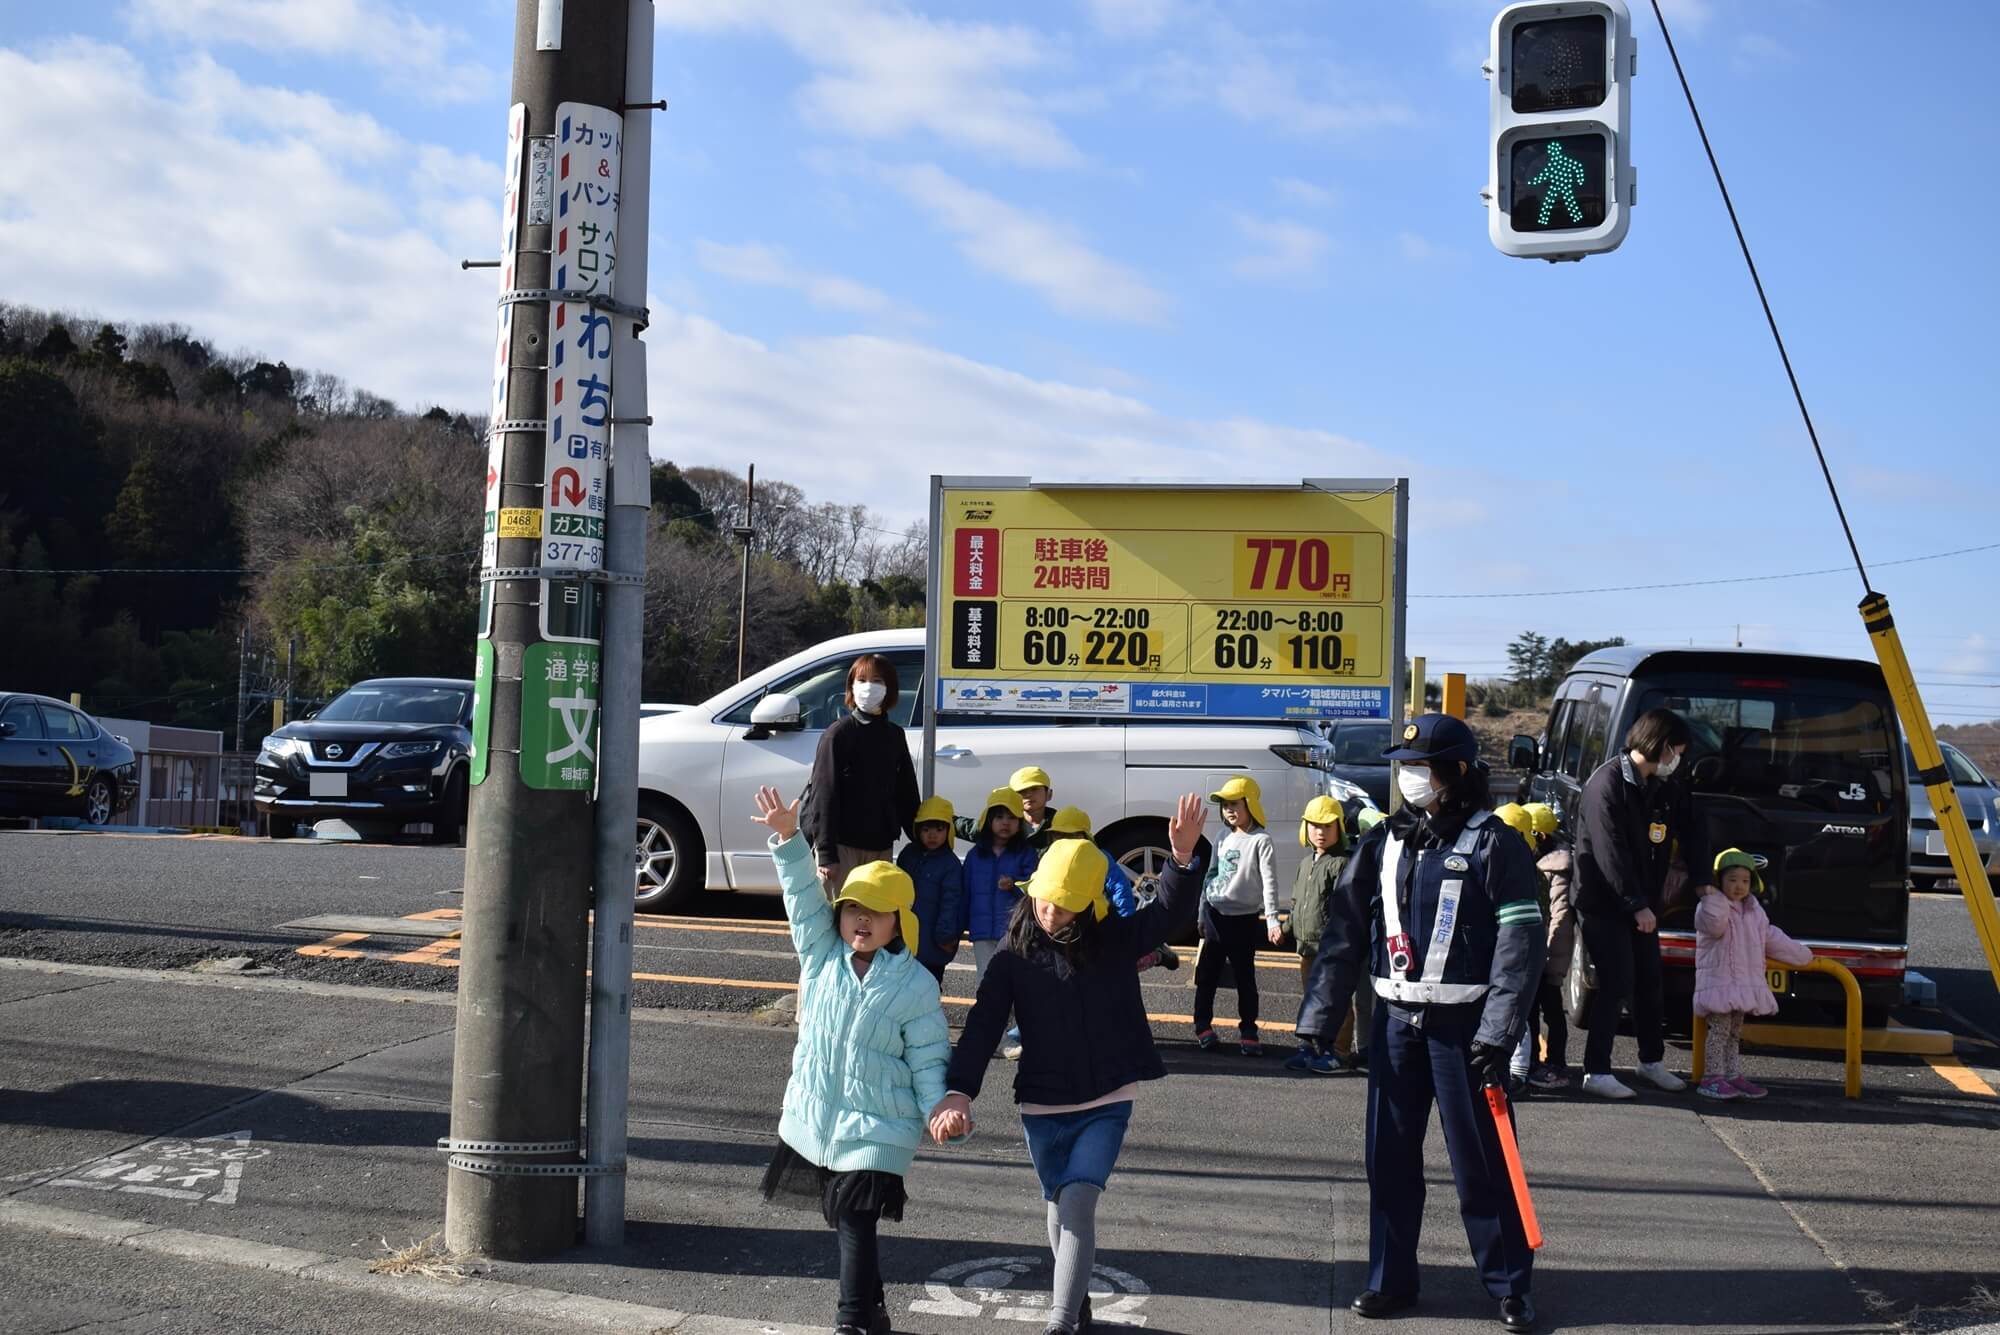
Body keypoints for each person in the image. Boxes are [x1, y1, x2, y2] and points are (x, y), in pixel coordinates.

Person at [1295, 714, 1546, 1334]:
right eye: (1402, 767)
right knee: (1388, 1160)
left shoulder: (1495, 843)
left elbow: (1521, 944)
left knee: (1483, 1164)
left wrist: (1497, 1032)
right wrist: (1320, 1018)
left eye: (1421, 769)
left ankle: (1509, 1285)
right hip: (1393, 1026)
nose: (1408, 778)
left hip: (1466, 1031)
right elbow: (1345, 932)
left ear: (1457, 774)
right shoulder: (1384, 841)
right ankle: (1389, 1280)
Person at [929, 794, 1208, 1335]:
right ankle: (1075, 1307)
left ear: (1088, 903)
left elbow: (1167, 916)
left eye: (1063, 905)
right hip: (1041, 1101)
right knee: (1058, 1207)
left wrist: (1180, 862)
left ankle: (1060, 1323)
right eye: (1044, 901)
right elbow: (984, 1022)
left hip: (1107, 1096)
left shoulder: (1115, 940)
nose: (1050, 912)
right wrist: (959, 1090)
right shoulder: (1013, 954)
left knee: (1078, 1203)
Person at [749, 785, 952, 1335]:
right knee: (844, 1221)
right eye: (853, 909)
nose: (861, 919)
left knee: (857, 1221)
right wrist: (790, 838)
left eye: (876, 913)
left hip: (882, 1125)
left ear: (896, 923)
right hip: (821, 1116)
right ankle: (876, 1312)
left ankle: (851, 1321)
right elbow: (800, 897)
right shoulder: (820, 956)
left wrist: (939, 1108)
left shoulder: (915, 984)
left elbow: (929, 1057)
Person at [1572, 708, 1712, 1099]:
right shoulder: (1607, 784)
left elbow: (1692, 826)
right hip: (1603, 902)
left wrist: (1702, 882)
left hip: (1641, 903)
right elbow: (1608, 852)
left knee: (1650, 982)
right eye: (1678, 751)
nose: (1679, 760)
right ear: (1663, 746)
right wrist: (1634, 903)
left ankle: (1651, 1061)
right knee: (1616, 981)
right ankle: (1596, 1070)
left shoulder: (1661, 784)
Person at [1695, 848, 1813, 1101]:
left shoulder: (1754, 911)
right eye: (1732, 879)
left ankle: (1731, 1074)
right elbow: (1714, 927)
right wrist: (1711, 896)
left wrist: (1802, 955)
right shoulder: (1711, 907)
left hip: (1742, 985)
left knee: (1735, 1033)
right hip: (1720, 983)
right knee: (1719, 1031)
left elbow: (1770, 937)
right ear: (1719, 881)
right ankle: (1712, 1077)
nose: (1739, 886)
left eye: (1745, 880)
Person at [806, 655, 921, 894]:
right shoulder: (838, 734)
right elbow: (823, 795)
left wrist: (921, 839)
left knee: (873, 920)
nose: (868, 686)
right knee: (838, 919)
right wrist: (826, 853)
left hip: (881, 846)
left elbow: (906, 793)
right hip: (842, 847)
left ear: (889, 688)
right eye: (862, 680)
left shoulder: (894, 735)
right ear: (851, 687)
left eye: (877, 680)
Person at [1194, 776, 1281, 1056]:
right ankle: (1202, 1026)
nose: (1229, 810)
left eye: (1235, 804)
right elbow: (1210, 875)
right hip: (1215, 913)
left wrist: (1272, 919)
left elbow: (1270, 882)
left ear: (1250, 804)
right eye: (1225, 805)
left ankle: (1249, 1030)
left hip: (1243, 919)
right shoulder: (1221, 837)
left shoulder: (1261, 841)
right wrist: (1201, 912)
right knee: (1207, 975)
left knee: (1245, 978)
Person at [1046, 806, 1180, 972]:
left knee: (1123, 962)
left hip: (1103, 920)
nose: (1066, 841)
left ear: (1085, 837)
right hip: (1071, 924)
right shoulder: (1051, 859)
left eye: (1072, 836)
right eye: (1059, 836)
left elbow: (1119, 888)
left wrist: (1126, 923)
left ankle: (1157, 954)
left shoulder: (1098, 858)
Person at [1285, 795, 1362, 1075]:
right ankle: (1314, 1047)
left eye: (1327, 826)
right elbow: (1297, 901)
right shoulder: (1306, 863)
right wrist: (1287, 927)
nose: (1320, 832)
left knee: (1336, 999)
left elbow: (1343, 907)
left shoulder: (1341, 863)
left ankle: (1339, 1052)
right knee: (1312, 998)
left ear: (1339, 828)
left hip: (1331, 948)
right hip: (1306, 946)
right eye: (1314, 826)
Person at [963, 786, 1039, 1059]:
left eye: (1012, 817)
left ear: (1020, 823)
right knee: (987, 983)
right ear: (988, 821)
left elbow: (1035, 887)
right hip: (982, 931)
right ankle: (997, 1036)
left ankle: (1018, 1032)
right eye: (999, 817)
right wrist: (961, 925)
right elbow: (965, 891)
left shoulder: (1026, 853)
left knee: (1017, 983)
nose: (1005, 823)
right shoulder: (975, 856)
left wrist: (1016, 884)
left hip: (1015, 930)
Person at [1522, 803, 1576, 1091]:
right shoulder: (1550, 865)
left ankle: (1551, 1063)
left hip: (1545, 956)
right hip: (1544, 954)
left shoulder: (1553, 869)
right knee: (1545, 1012)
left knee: (1545, 1012)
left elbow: (1560, 916)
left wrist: (1547, 956)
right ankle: (1544, 1061)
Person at [1492, 804, 1543, 1094]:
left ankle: (1518, 1072)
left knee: (1517, 1016)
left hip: (1519, 956)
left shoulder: (1531, 876)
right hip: (1505, 953)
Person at [898, 796, 966, 984]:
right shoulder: (908, 854)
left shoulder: (950, 864)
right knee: (901, 987)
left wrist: (946, 935)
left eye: (939, 829)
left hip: (934, 941)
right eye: (926, 829)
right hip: (905, 938)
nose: (932, 835)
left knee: (930, 987)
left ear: (948, 831)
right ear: (917, 830)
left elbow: (951, 902)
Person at [955, 765, 1057, 849]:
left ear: (1049, 794)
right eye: (1021, 791)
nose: (1028, 795)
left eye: (1034, 789)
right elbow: (966, 827)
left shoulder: (1060, 826)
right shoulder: (1001, 823)